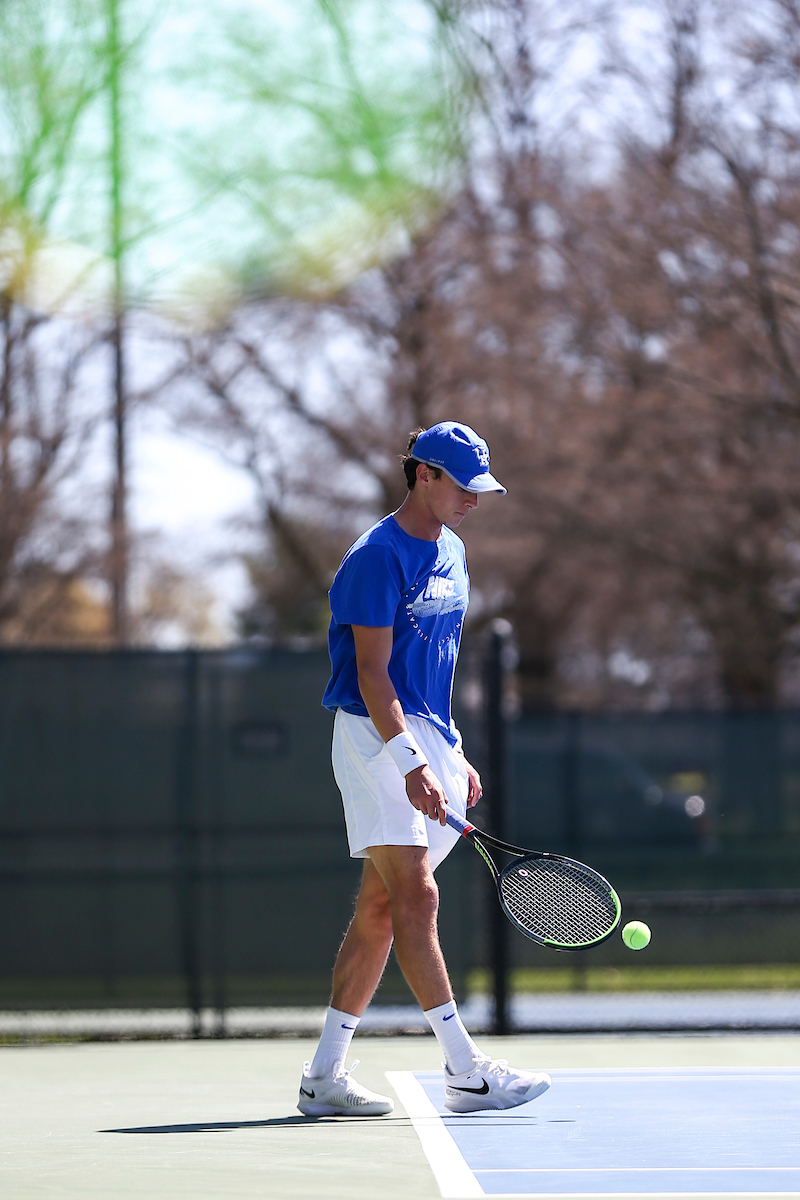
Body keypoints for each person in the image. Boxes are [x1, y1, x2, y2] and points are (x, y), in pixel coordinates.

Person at [298, 421, 551, 1116]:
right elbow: (375, 675)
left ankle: (322, 1077)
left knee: (381, 910)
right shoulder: (375, 558)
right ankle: (466, 1070)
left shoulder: (455, 552)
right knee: (418, 897)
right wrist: (410, 761)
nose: (474, 499)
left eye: (482, 488)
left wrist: (453, 748)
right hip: (373, 736)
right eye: (463, 486)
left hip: (426, 734)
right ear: (423, 476)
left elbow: (432, 666)